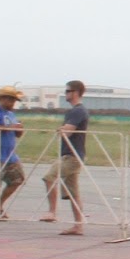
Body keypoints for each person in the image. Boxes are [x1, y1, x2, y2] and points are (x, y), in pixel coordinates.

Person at [41, 80, 89, 236]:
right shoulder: (75, 111)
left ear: (76, 92)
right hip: (71, 154)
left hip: (72, 156)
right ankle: (78, 226)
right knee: (73, 193)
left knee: (49, 177)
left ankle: (52, 212)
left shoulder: (77, 111)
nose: (65, 93)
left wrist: (61, 129)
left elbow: (67, 132)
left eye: (68, 91)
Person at [0, 86, 27, 219]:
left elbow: (16, 133)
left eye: (14, 100)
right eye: (11, 100)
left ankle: (0, 204)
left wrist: (19, 130)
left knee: (18, 179)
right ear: (3, 99)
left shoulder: (11, 115)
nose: (13, 103)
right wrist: (10, 127)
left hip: (10, 155)